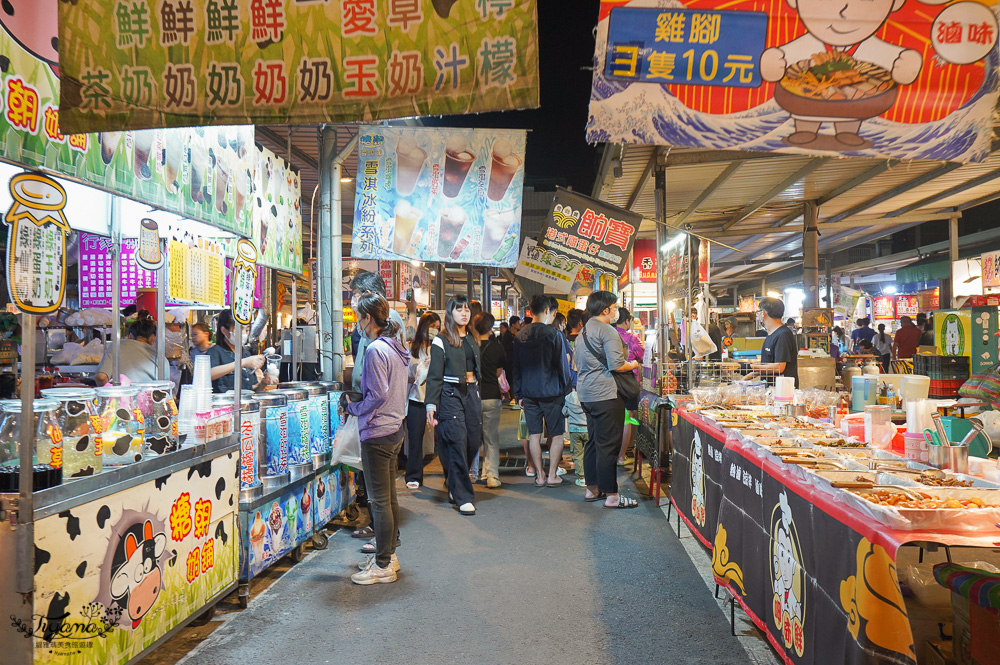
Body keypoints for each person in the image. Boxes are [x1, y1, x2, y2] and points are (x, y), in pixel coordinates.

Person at [344, 294, 410, 585]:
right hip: (395, 429)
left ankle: (382, 564)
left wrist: (353, 408)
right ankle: (389, 555)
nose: (358, 322)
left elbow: (378, 394)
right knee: (389, 499)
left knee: (379, 501)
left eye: (359, 316)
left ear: (368, 318)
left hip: (378, 432)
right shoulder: (396, 347)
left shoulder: (374, 350)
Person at [575, 290, 640, 509]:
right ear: (605, 310)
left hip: (586, 394)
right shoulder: (608, 331)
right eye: (614, 307)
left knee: (594, 443)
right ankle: (612, 496)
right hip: (606, 395)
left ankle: (592, 489)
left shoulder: (583, 332)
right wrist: (633, 365)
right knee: (608, 446)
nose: (616, 311)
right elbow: (617, 365)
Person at [425, 296, 482, 516]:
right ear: (451, 313)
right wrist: (431, 404)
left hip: (472, 393)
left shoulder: (472, 338)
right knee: (457, 441)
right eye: (459, 310)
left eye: (466, 309)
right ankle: (463, 496)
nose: (464, 313)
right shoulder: (442, 340)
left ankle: (453, 480)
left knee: (474, 440)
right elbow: (434, 376)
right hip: (450, 395)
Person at [511, 295, 572, 487]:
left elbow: (516, 368)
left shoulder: (520, 335)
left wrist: (518, 394)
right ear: (547, 311)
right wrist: (566, 389)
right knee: (556, 434)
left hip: (528, 393)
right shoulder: (555, 335)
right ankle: (553, 475)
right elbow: (563, 367)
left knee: (534, 435)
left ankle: (539, 476)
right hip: (552, 392)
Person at [404, 311, 441, 489]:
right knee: (415, 438)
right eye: (432, 327)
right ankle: (414, 476)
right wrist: (418, 374)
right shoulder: (411, 347)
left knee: (444, 437)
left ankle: (450, 475)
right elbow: (404, 374)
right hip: (416, 398)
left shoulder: (440, 346)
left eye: (438, 328)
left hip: (437, 398)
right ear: (424, 327)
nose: (434, 331)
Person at [474, 312, 504, 488]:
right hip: (492, 395)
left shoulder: (469, 346)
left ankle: (472, 473)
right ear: (490, 328)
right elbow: (498, 373)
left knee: (473, 437)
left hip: (473, 397)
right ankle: (491, 475)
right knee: (491, 438)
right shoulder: (497, 348)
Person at [205, 310, 268, 393]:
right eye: (240, 329)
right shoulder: (215, 352)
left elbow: (251, 391)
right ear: (224, 331)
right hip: (224, 404)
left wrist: (264, 383)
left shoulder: (246, 354)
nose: (244, 334)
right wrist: (243, 362)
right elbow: (207, 375)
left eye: (247, 330)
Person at [615, 308, 644, 466]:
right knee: (628, 417)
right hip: (628, 382)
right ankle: (621, 456)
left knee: (613, 417)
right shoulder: (632, 338)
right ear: (626, 321)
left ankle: (612, 454)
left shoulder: (608, 334)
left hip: (611, 382)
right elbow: (640, 355)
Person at [747, 297, 799, 386]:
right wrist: (748, 377)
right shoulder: (771, 334)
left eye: (758, 312)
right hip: (771, 389)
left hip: (782, 391)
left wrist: (750, 367)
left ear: (763, 314)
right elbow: (768, 366)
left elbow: (779, 367)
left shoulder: (783, 335)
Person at [96, 315, 159, 385]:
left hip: (121, 394)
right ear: (153, 338)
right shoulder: (160, 357)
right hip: (149, 395)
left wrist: (106, 392)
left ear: (130, 336)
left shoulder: (117, 346)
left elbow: (101, 377)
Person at [562, 387, 588, 488]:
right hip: (588, 429)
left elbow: (564, 412)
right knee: (589, 453)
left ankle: (581, 477)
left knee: (578, 454)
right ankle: (590, 475)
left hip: (574, 431)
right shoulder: (588, 395)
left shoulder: (569, 398)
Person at [501, 315, 520, 408]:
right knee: (511, 379)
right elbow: (506, 348)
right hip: (509, 360)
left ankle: (517, 397)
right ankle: (513, 397)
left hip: (518, 360)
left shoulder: (520, 333)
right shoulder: (507, 335)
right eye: (518, 323)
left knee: (516, 378)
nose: (519, 324)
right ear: (513, 324)